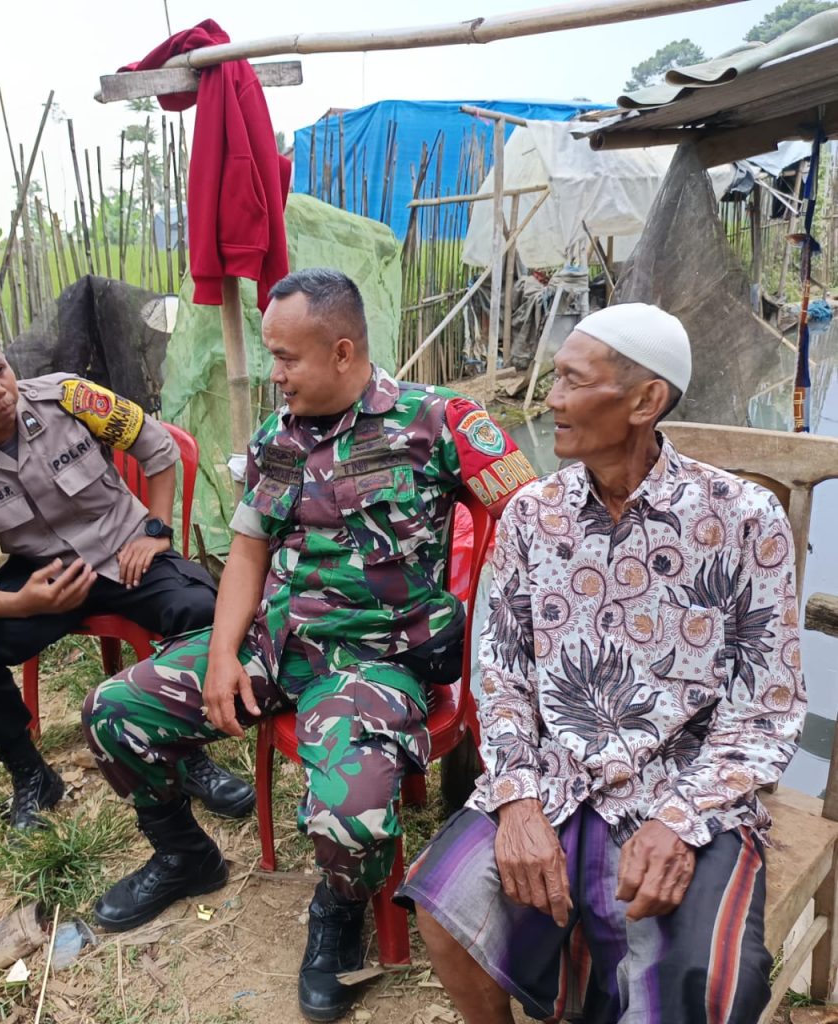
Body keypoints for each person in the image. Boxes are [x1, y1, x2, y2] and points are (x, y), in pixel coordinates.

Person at [82, 267, 537, 1021]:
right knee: (114, 712)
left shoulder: (439, 421)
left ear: (344, 351)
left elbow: (533, 518)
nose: (274, 372)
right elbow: (248, 556)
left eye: (286, 357)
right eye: (270, 354)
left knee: (350, 818)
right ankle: (182, 855)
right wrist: (225, 654)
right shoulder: (274, 439)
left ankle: (339, 906)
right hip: (275, 645)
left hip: (374, 664)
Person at [395, 303, 807, 1024]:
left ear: (645, 401)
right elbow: (503, 676)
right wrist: (519, 797)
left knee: (702, 983)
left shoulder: (742, 518)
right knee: (442, 906)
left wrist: (681, 820)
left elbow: (766, 708)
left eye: (570, 381)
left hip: (686, 786)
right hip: (554, 777)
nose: (548, 400)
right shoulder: (531, 516)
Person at [0, 313, 255, 830]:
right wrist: (21, 603)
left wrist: (156, 530)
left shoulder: (70, 397)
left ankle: (187, 756)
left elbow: (159, 449)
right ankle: (29, 773)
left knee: (202, 607)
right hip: (45, 577)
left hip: (126, 551)